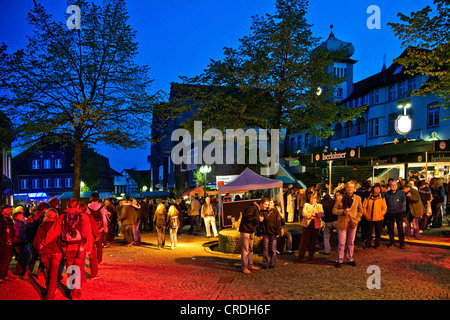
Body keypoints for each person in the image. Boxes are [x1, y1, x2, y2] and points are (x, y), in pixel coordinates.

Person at [39, 198, 91, 300]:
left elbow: (54, 232)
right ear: (77, 207)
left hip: (68, 247)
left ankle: (72, 290)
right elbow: (88, 233)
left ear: (67, 206)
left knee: (71, 269)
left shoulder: (63, 217)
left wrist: (44, 242)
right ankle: (76, 294)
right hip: (80, 247)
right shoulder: (84, 216)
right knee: (78, 269)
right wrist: (88, 247)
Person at [332, 181, 363, 267]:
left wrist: (357, 219)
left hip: (353, 222)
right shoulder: (340, 198)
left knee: (351, 242)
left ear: (354, 189)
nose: (350, 189)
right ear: (346, 188)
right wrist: (342, 212)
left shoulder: (357, 198)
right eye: (348, 187)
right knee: (341, 242)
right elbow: (334, 210)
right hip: (342, 222)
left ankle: (350, 259)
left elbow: (360, 211)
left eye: (352, 187)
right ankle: (339, 260)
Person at [33, 208, 61, 300]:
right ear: (56, 215)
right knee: (54, 273)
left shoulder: (42, 226)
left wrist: (39, 250)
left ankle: (50, 290)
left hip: (45, 252)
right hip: (56, 252)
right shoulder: (59, 226)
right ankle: (51, 293)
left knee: (48, 272)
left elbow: (37, 241)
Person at [239, 199, 267, 274]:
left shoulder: (257, 210)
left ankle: (250, 265)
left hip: (250, 231)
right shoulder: (253, 208)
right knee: (245, 250)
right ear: (261, 204)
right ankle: (244, 267)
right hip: (246, 231)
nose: (267, 206)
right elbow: (247, 217)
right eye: (266, 204)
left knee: (250, 249)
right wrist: (258, 219)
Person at [296, 193, 323, 263]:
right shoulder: (306, 205)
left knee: (313, 241)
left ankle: (311, 256)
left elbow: (321, 214)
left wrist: (314, 215)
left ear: (316, 199)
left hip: (316, 225)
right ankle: (300, 256)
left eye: (314, 198)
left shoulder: (319, 206)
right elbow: (304, 213)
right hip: (307, 225)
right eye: (311, 198)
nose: (313, 200)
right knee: (304, 241)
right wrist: (313, 215)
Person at [25, 201, 49, 279]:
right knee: (42, 257)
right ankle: (40, 272)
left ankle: (27, 272)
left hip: (31, 239)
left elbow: (26, 228)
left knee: (33, 257)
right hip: (40, 239)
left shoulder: (31, 216)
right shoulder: (44, 217)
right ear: (45, 208)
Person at [78, 202, 100, 280]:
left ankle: (81, 277)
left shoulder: (74, 216)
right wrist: (97, 236)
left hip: (77, 239)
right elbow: (94, 227)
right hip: (88, 238)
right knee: (92, 257)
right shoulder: (88, 216)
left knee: (79, 259)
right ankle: (93, 274)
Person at [260, 197, 284, 269]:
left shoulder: (276, 212)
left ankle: (272, 262)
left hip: (273, 232)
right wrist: (260, 231)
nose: (269, 205)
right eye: (268, 203)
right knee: (265, 248)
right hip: (266, 232)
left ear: (273, 204)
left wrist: (277, 232)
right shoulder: (264, 211)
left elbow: (278, 223)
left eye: (270, 203)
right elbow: (261, 223)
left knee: (273, 249)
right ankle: (265, 263)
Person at [362, 183, 387, 250]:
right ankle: (368, 245)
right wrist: (366, 215)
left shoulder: (382, 198)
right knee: (368, 232)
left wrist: (380, 215)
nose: (377, 189)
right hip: (369, 218)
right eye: (376, 188)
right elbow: (364, 207)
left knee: (378, 233)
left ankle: (377, 245)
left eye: (379, 188)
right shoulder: (368, 197)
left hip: (378, 218)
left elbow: (384, 208)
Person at [384, 180, 406, 249]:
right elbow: (385, 203)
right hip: (390, 212)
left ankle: (401, 243)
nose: (393, 186)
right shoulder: (387, 194)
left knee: (400, 228)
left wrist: (402, 210)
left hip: (399, 212)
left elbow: (404, 202)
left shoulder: (401, 193)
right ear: (389, 186)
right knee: (390, 228)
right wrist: (387, 210)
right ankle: (392, 242)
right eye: (392, 185)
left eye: (395, 185)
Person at [87, 192, 108, 259]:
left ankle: (92, 258)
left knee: (91, 244)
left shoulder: (88, 207)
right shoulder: (101, 207)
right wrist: (105, 227)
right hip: (99, 228)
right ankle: (99, 258)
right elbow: (104, 218)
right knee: (99, 244)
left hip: (90, 228)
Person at [12, 207, 31, 277]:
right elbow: (17, 233)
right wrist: (23, 237)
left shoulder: (20, 222)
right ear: (16, 217)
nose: (22, 216)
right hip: (20, 242)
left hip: (21, 241)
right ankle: (21, 270)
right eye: (20, 215)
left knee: (23, 256)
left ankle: (19, 270)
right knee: (25, 255)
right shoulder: (17, 224)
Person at [0, 204, 15, 284]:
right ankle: (1, 276)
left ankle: (5, 274)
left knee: (8, 258)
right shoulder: (1, 219)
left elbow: (11, 229)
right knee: (3, 259)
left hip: (9, 241)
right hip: (3, 242)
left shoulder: (8, 219)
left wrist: (12, 239)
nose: (9, 210)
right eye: (7, 209)